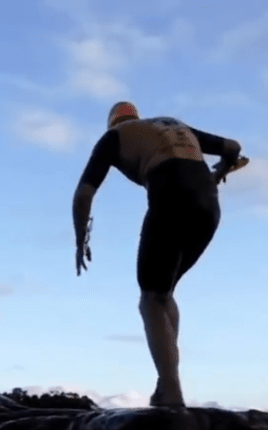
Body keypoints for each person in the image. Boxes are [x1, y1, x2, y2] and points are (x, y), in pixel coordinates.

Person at [71, 101, 243, 408]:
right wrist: (223, 168)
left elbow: (84, 193)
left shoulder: (115, 136)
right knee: (164, 293)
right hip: (209, 205)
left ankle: (171, 392)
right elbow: (232, 146)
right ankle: (167, 385)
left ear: (113, 122)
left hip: (169, 195)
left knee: (150, 298)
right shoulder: (172, 125)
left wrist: (80, 238)